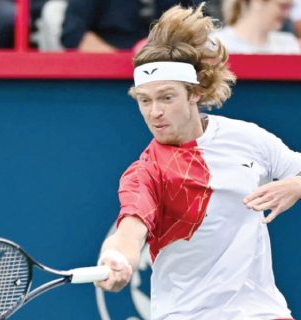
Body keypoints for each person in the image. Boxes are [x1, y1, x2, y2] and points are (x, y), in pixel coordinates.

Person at [94, 3, 301, 320]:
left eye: (166, 97)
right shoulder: (145, 173)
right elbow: (129, 231)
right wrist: (116, 258)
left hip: (260, 312)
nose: (155, 112)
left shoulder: (248, 138)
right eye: (145, 100)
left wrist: (296, 184)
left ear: (194, 93)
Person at [60, 0, 201, 52]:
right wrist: (125, 63)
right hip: (110, 73)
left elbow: (199, 27)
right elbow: (74, 35)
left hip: (172, 65)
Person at [213, 0, 300, 54]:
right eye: (283, 6)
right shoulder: (216, 44)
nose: (287, 14)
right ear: (258, 2)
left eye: (290, 7)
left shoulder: (289, 44)